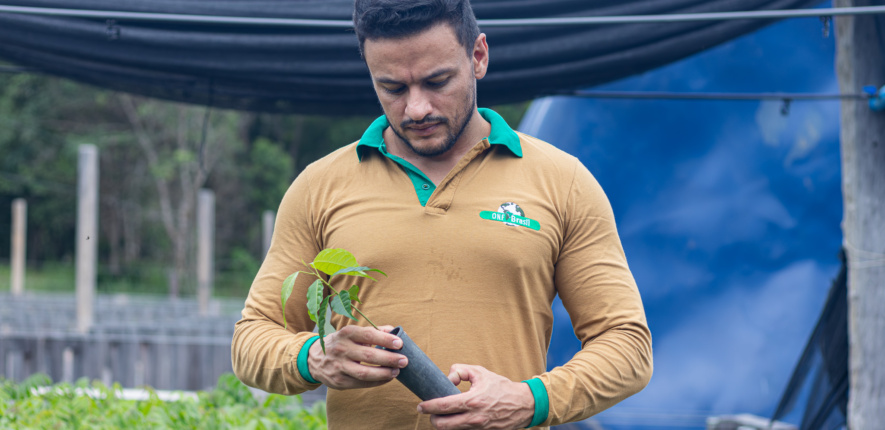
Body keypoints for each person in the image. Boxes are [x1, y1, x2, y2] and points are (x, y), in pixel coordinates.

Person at [231, 0, 652, 428]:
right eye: (393, 88)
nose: (417, 109)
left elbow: (627, 346)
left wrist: (529, 400)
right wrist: (313, 357)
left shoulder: (563, 182)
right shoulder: (318, 187)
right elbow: (252, 338)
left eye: (437, 82)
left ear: (478, 56)